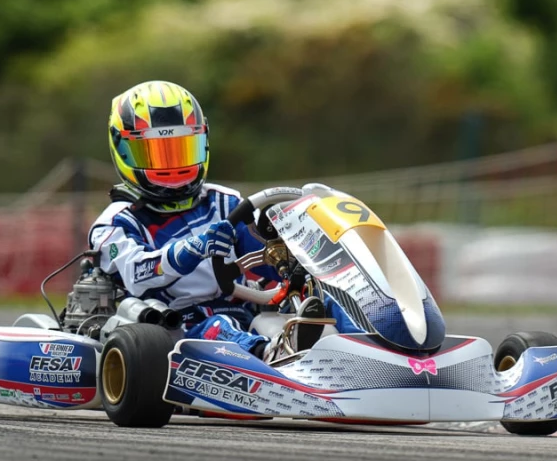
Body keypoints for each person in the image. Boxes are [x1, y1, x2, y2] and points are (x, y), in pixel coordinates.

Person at [88, 81, 359, 361]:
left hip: (244, 309)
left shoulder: (224, 202)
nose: (173, 166)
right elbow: (137, 273)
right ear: (123, 150)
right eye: (157, 153)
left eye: (182, 149)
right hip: (172, 328)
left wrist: (295, 259)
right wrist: (190, 250)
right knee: (220, 326)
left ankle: (368, 342)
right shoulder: (116, 222)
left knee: (323, 288)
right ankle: (272, 354)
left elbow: (265, 252)